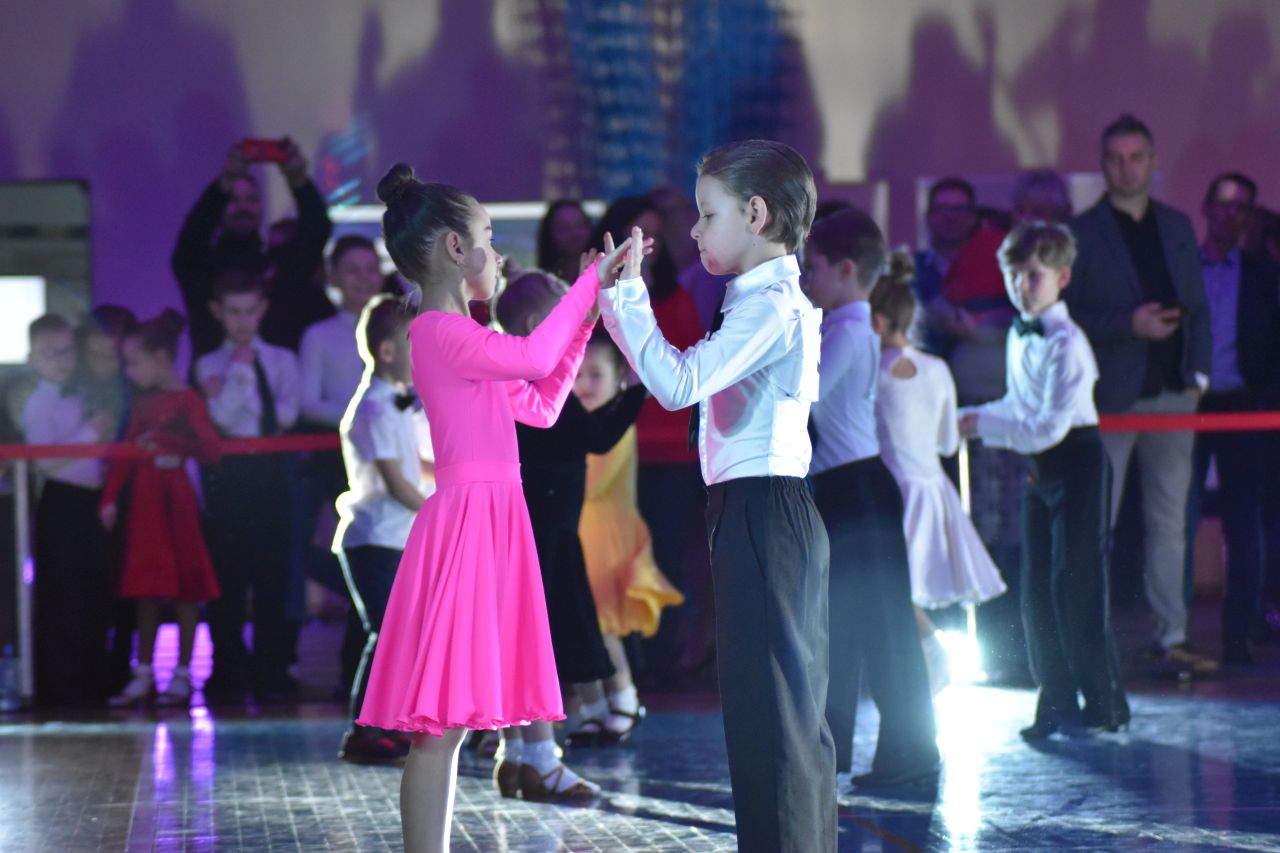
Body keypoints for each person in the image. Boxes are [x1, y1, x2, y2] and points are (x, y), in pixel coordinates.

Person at [353, 164, 635, 853]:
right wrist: (588, 289)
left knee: (447, 729)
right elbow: (535, 355)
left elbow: (541, 405)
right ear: (456, 248)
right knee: (440, 728)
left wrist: (584, 316)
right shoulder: (439, 332)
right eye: (487, 236)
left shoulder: (462, 338)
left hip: (492, 519)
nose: (498, 254)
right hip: (470, 524)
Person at [598, 139, 835, 853]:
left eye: (707, 214)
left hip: (764, 510)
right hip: (756, 509)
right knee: (775, 711)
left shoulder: (770, 308)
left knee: (776, 714)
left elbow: (677, 384)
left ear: (756, 215)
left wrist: (628, 296)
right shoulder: (759, 302)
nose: (694, 232)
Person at [960, 221, 1130, 739]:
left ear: (1062, 277)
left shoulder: (1069, 342)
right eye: (1013, 275)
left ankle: (1104, 703)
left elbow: (1050, 426)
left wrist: (982, 424)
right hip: (1041, 468)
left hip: (1078, 463)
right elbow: (1019, 405)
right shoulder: (1020, 332)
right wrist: (964, 417)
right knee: (1035, 591)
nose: (1020, 286)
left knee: (1076, 588)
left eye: (1032, 275)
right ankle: (1055, 702)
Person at [1066, 114, 1215, 674]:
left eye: (1135, 157)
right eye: (1116, 158)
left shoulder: (1176, 225)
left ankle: (1171, 637)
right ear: (1103, 165)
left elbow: (1198, 307)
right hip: (1110, 396)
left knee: (1170, 523)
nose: (1126, 168)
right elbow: (1069, 316)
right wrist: (1128, 324)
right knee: (1097, 524)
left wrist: (1199, 375)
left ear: (1152, 162)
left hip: (1175, 392)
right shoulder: (1081, 232)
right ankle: (1090, 639)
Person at [803, 207, 942, 792]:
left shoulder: (848, 330)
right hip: (850, 490)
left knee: (880, 626)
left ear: (845, 269)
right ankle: (867, 751)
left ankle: (908, 752)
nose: (805, 277)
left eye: (811, 267)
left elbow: (803, 393)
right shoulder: (845, 326)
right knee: (851, 624)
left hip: (857, 491)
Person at [497, 272, 647, 754]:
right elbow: (598, 438)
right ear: (535, 324)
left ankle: (576, 715)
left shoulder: (520, 373)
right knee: (567, 619)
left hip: (548, 523)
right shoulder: (541, 382)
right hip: (549, 528)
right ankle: (569, 718)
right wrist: (638, 389)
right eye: (561, 311)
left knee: (569, 618)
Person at [869, 257, 1006, 690]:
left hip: (892, 492)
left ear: (876, 322)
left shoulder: (873, 373)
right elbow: (948, 443)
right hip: (930, 489)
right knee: (898, 584)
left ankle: (926, 654)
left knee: (889, 582)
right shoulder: (937, 369)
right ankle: (920, 660)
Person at [592, 196, 710, 685]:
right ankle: (618, 663)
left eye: (653, 233)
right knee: (610, 550)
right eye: (635, 233)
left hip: (670, 451)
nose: (646, 244)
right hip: (610, 445)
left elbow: (692, 369)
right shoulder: (596, 292)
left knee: (666, 554)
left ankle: (661, 660)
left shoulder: (676, 298)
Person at [98, 311, 223, 708]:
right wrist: (109, 497)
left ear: (160, 359)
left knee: (186, 587)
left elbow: (211, 449)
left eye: (134, 363)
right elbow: (126, 454)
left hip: (176, 498)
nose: (129, 372)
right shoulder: (143, 404)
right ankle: (144, 672)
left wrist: (173, 440)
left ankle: (184, 673)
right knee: (145, 586)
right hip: (146, 500)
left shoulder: (187, 400)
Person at [332, 294, 434, 765]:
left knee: (399, 633)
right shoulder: (373, 407)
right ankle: (365, 730)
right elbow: (395, 483)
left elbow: (416, 466)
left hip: (396, 536)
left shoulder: (398, 406)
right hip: (374, 537)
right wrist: (440, 512)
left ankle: (386, 724)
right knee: (387, 632)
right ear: (389, 350)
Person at [195, 267, 301, 703]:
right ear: (217, 312)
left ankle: (272, 669)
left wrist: (233, 391)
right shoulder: (207, 364)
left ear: (262, 310)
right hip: (230, 478)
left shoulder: (282, 360)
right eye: (233, 312)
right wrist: (239, 374)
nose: (242, 321)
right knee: (229, 577)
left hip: (271, 475)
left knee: (272, 575)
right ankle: (229, 669)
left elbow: (284, 417)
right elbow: (221, 420)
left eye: (249, 311)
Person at [576, 328, 684, 744]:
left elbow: (591, 484)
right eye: (578, 374)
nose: (585, 384)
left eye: (596, 375)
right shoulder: (587, 420)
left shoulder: (614, 424)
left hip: (607, 539)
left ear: (620, 378)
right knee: (583, 624)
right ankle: (594, 706)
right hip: (585, 535)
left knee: (603, 624)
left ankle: (623, 697)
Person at [1191, 172, 1280, 665]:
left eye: (1241, 207)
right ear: (1207, 207)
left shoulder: (1264, 274)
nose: (1230, 214)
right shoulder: (1183, 268)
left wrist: (1266, 398)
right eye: (1223, 203)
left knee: (1245, 521)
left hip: (1245, 404)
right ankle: (1174, 635)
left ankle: (1239, 631)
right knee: (1179, 518)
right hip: (1189, 404)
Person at [22, 314, 114, 708]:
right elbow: (45, 462)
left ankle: (90, 681)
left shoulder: (80, 395)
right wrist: (90, 433)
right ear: (32, 358)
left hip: (88, 501)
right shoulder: (37, 404)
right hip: (61, 502)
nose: (61, 361)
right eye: (50, 353)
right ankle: (63, 687)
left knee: (90, 591)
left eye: (67, 352)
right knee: (64, 593)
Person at [172, 139, 334, 357]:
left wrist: (298, 180)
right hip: (214, 377)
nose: (243, 208)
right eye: (233, 199)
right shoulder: (202, 268)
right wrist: (223, 184)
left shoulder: (280, 265)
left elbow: (317, 231)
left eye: (252, 200)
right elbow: (190, 241)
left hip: (280, 377)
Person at [535, 200, 594, 285]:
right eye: (564, 228)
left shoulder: (605, 277)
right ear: (550, 234)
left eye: (580, 225)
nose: (574, 233)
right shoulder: (543, 284)